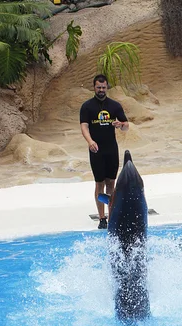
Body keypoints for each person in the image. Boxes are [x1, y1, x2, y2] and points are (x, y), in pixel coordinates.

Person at [79, 74, 129, 229]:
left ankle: (112, 214)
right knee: (99, 183)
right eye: (98, 87)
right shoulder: (87, 106)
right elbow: (84, 126)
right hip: (96, 150)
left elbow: (126, 126)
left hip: (111, 148)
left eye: (103, 87)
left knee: (111, 183)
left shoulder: (115, 106)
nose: (101, 90)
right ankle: (102, 218)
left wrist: (120, 124)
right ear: (94, 87)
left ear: (107, 87)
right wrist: (90, 141)